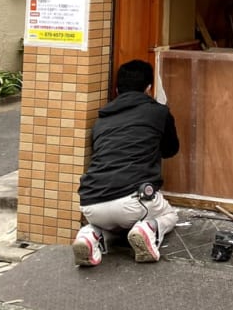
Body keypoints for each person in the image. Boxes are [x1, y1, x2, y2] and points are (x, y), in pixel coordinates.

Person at [72, 59, 180, 266]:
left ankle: (89, 234)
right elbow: (171, 150)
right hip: (133, 201)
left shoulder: (101, 120)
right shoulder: (158, 112)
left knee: (114, 227)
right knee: (169, 215)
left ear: (116, 89)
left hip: (90, 204)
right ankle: (148, 230)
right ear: (149, 88)